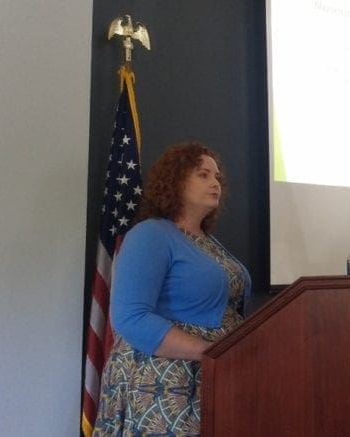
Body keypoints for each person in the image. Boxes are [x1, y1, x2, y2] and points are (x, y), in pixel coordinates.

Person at [93, 142, 251, 436]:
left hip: (215, 373)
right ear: (176, 180)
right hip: (165, 382)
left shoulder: (208, 242)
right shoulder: (150, 234)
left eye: (217, 177)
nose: (215, 182)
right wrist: (210, 351)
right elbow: (131, 318)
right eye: (203, 175)